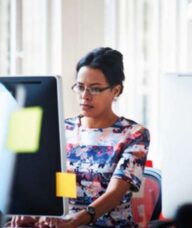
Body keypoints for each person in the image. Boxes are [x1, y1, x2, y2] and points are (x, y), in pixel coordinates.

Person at [9, 47, 150, 227]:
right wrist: (35, 214)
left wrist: (75, 220)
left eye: (95, 89)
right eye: (80, 87)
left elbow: (115, 194)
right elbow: (63, 186)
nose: (85, 96)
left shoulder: (134, 134)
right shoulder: (64, 128)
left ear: (116, 91)